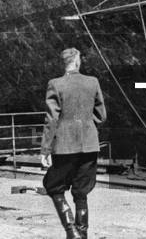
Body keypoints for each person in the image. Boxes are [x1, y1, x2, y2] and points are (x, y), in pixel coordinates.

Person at [40, 47, 106, 239]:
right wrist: (87, 124)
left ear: (64, 63)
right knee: (81, 191)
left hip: (65, 145)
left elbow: (51, 120)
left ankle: (71, 231)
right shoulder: (93, 82)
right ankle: (82, 233)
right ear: (78, 61)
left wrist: (45, 149)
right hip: (89, 144)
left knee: (53, 186)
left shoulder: (55, 84)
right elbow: (101, 115)